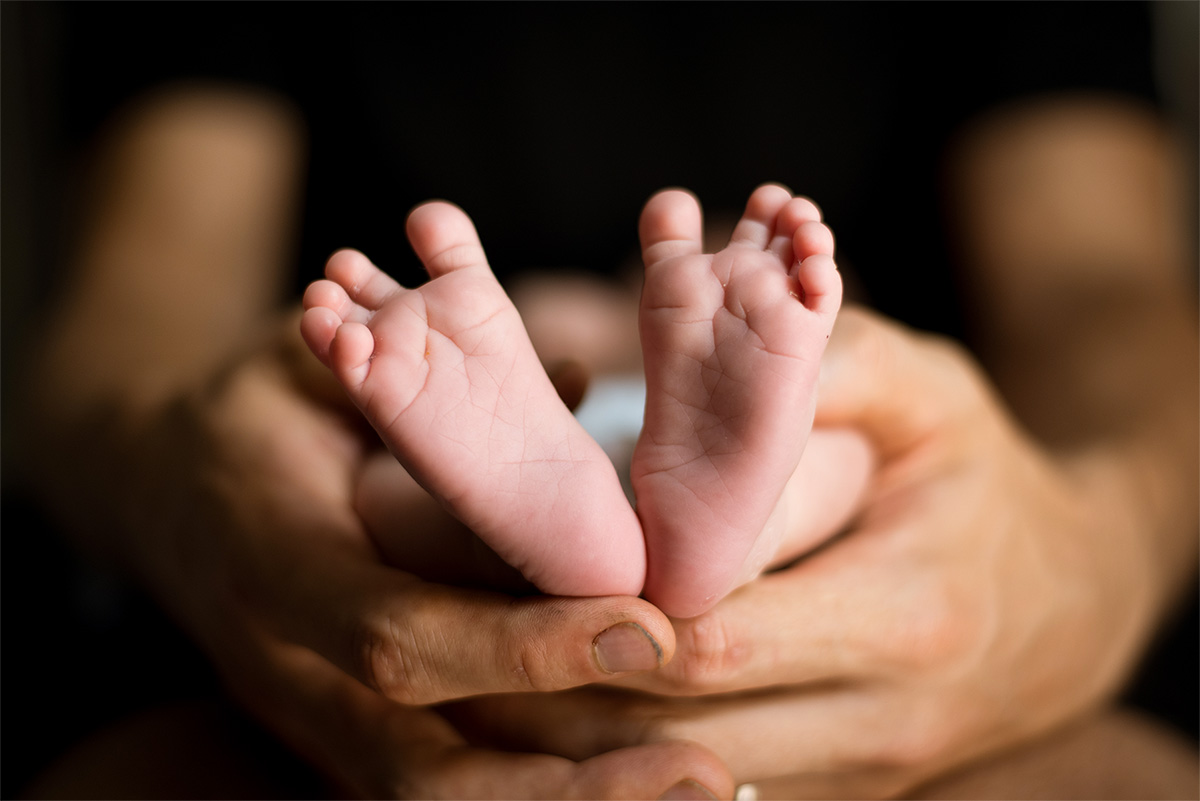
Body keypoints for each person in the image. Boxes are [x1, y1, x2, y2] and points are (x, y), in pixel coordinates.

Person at [5, 3, 1196, 799]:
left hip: (598, 467)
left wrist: (1110, 529)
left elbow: (1099, 289)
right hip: (452, 565)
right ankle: (715, 508)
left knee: (404, 491)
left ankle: (558, 503)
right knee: (822, 460)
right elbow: (134, 317)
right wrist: (178, 473)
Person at [301, 185, 846, 618]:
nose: (717, 283)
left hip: (577, 442)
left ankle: (512, 550)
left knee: (379, 485)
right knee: (842, 454)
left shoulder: (597, 327)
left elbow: (550, 318)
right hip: (601, 436)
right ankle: (760, 534)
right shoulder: (615, 337)